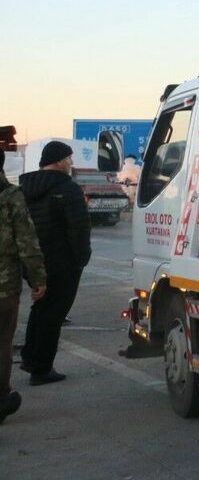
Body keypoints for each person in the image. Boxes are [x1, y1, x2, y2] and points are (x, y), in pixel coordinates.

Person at [18, 141, 90, 385]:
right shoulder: (68, 189)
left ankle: (30, 358)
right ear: (59, 160)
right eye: (68, 158)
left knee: (40, 309)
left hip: (33, 262)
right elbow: (78, 228)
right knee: (54, 314)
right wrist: (82, 258)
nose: (71, 163)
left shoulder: (24, 188)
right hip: (63, 263)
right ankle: (41, 368)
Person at [0, 149, 47, 422]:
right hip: (4, 287)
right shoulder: (10, 197)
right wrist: (38, 278)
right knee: (2, 343)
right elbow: (27, 242)